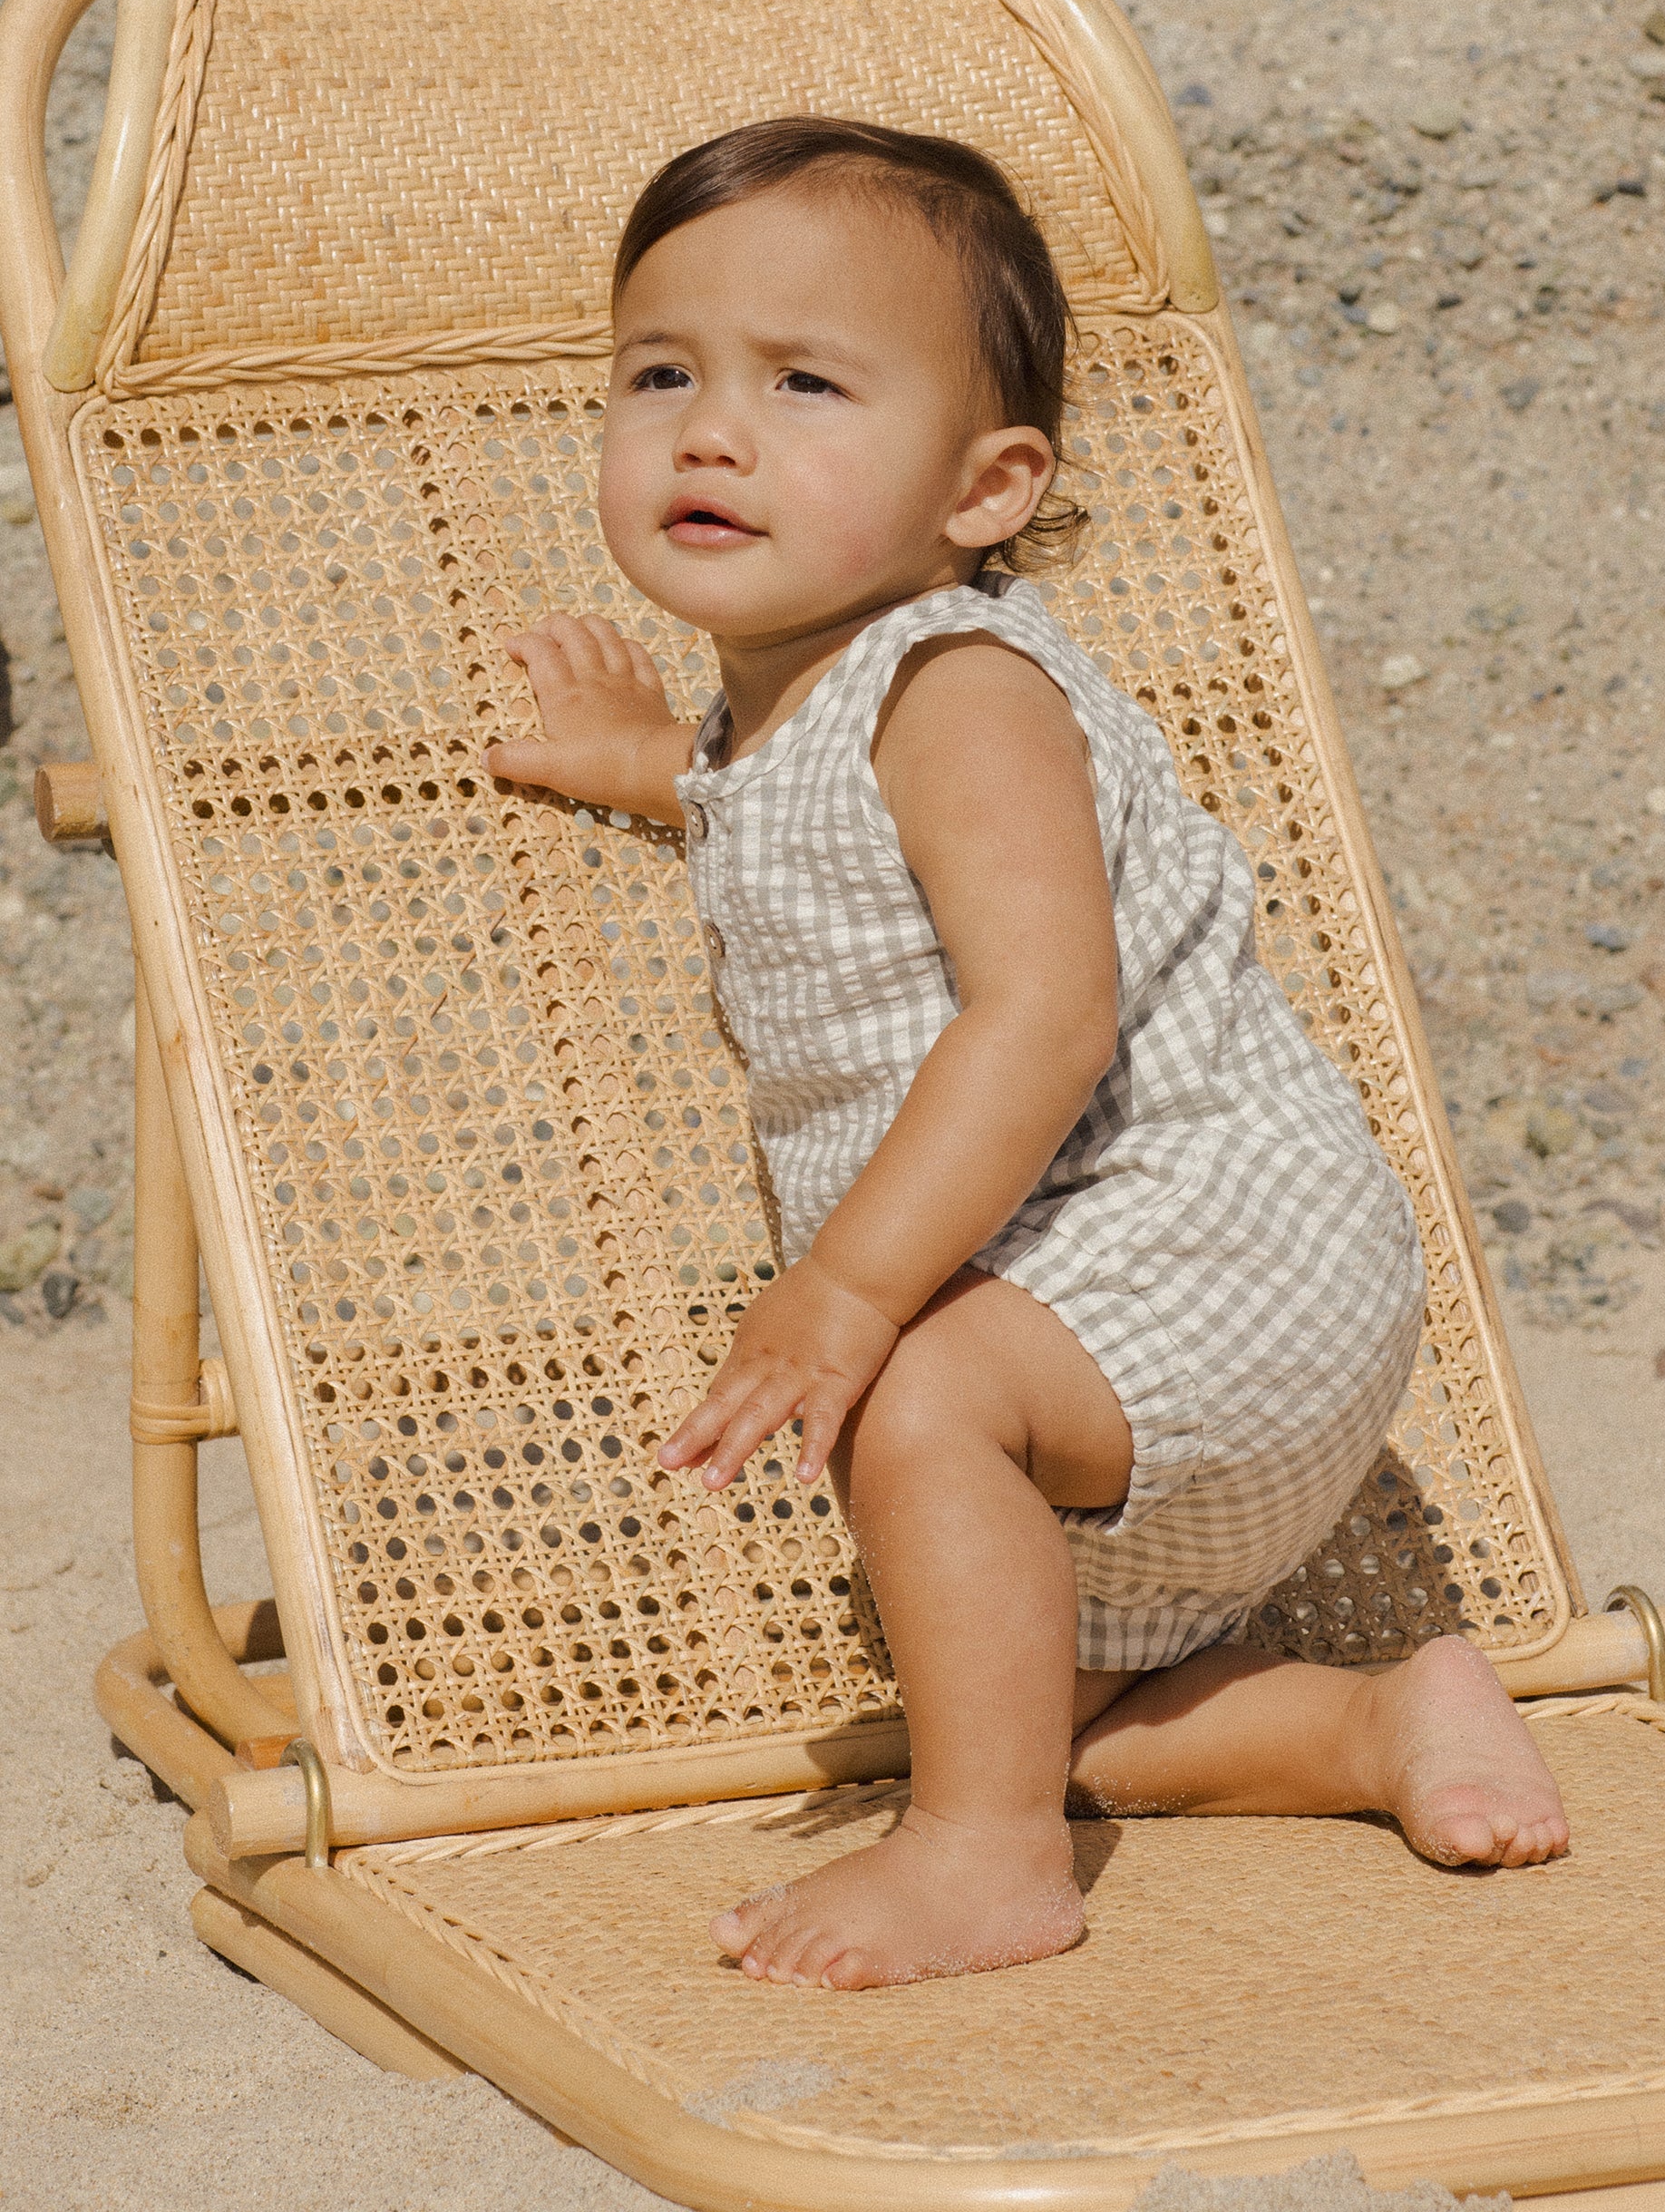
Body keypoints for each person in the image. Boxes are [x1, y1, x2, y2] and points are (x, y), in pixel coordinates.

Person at [485, 116, 1569, 1992]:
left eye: (804, 384)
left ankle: (985, 1863)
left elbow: (1043, 1007)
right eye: (660, 374)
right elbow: (788, 821)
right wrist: (653, 764)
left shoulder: (959, 688)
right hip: (1147, 1319)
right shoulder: (808, 714)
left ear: (986, 485)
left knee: (919, 1405)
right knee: (1023, 1695)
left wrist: (843, 1284)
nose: (711, 431)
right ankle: (1375, 1720)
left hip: (1201, 1244)